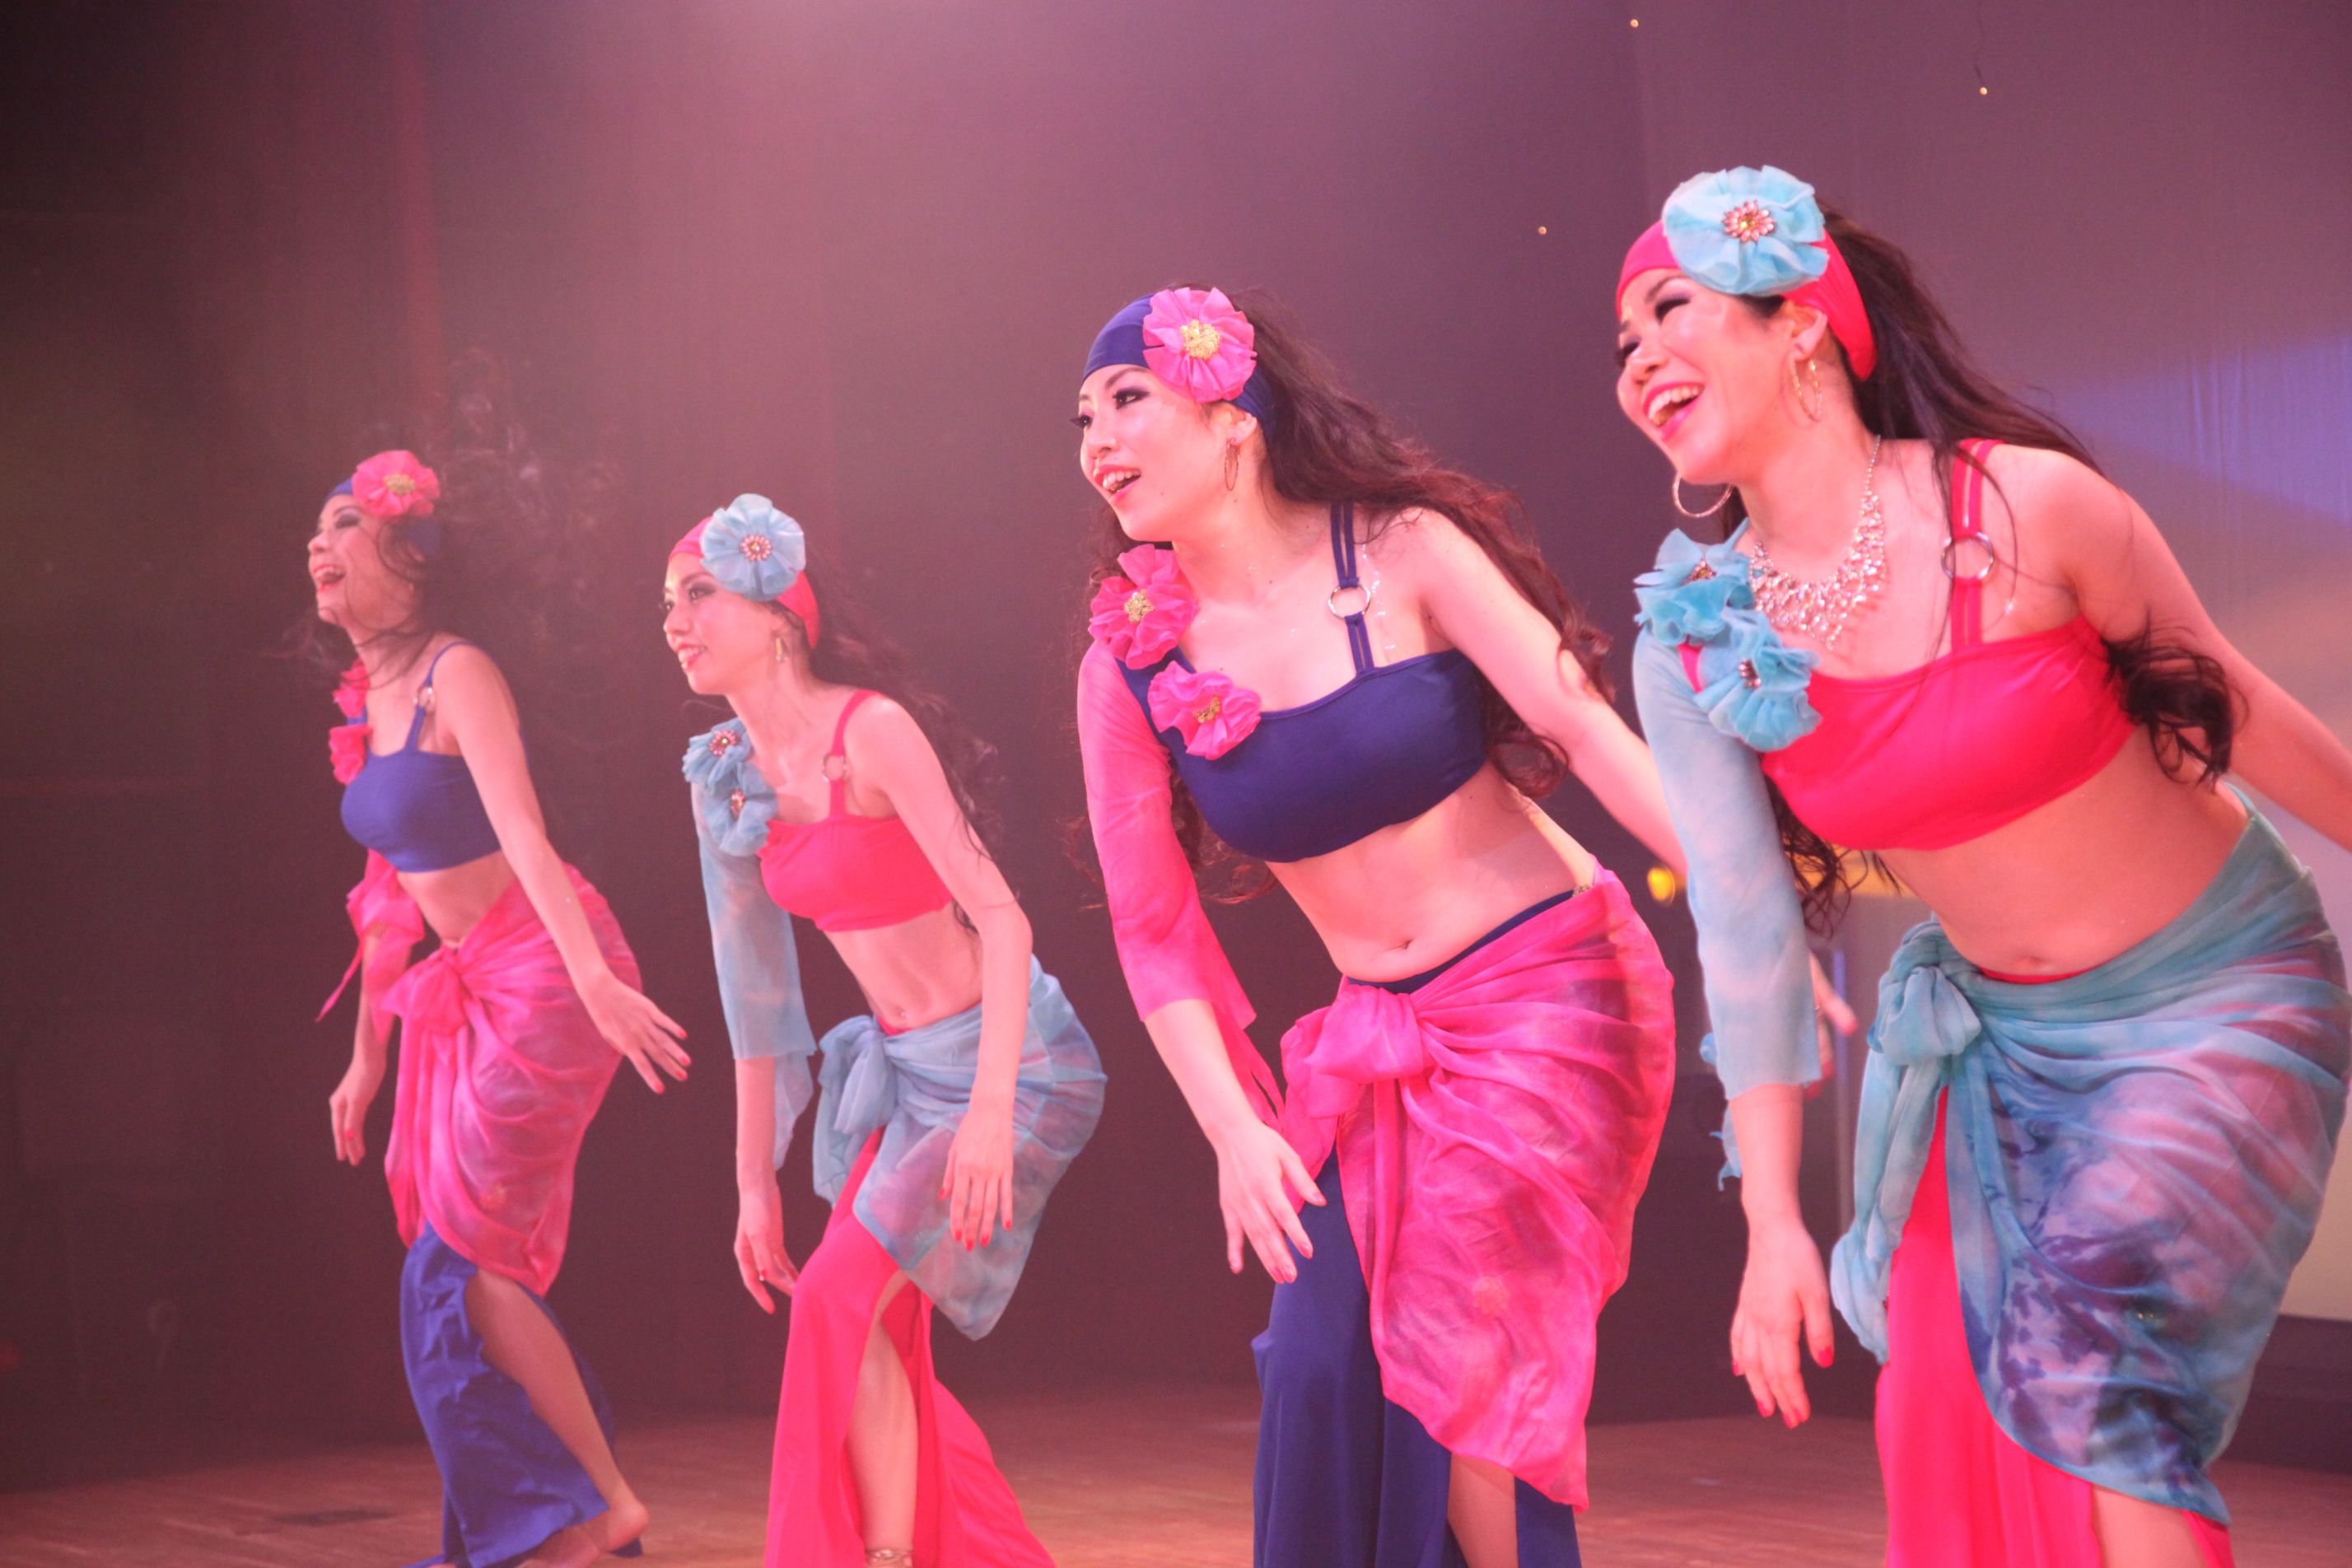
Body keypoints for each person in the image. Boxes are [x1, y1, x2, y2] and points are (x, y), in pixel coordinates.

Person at [1615, 165, 2352, 1566]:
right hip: (2002, 1049)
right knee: (1947, 1412)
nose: (1641, 356)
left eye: (1670, 309)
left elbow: (2237, 707)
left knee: (2089, 1362)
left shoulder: (2022, 507)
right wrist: (1772, 1225)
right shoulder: (1695, 638)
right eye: (1623, 344)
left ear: (1802, 324)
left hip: (2218, 993)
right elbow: (1747, 936)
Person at [1074, 285, 1687, 1566]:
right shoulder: (1129, 662)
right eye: (1083, 418)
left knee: (1462, 1355)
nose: (1097, 439)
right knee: (1319, 1368)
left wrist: (1741, 908)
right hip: (1378, 1040)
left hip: (1552, 989)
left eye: (1127, 398)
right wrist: (1233, 1130)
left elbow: (1579, 726)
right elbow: (1150, 927)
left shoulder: (1401, 550)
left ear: (1232, 413)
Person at [664, 496, 1104, 1567]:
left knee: (835, 1298)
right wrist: (752, 1183)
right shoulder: (728, 773)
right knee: (863, 1319)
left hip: (1014, 1059)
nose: (675, 621)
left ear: (782, 613)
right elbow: (756, 998)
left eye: (699, 593)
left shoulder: (871, 731)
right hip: (905, 1076)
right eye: (667, 602)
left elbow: (1005, 919)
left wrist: (989, 1114)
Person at [310, 427, 685, 1567]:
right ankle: (553, 1518)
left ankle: (600, 1506)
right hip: (470, 985)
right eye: (315, 530)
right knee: (463, 1268)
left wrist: (594, 981)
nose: (319, 544)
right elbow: (387, 893)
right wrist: (367, 1055)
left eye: (343, 523)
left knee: (460, 1260)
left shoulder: (456, 672)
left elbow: (525, 834)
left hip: (546, 970)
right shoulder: (368, 697)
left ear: (410, 555)